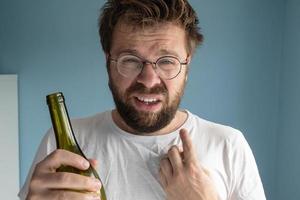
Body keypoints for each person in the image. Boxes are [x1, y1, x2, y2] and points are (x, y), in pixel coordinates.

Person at [19, 0, 266, 199]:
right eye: (130, 60)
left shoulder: (229, 146)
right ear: (108, 62)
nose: (148, 80)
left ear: (187, 65)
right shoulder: (61, 145)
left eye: (167, 61)